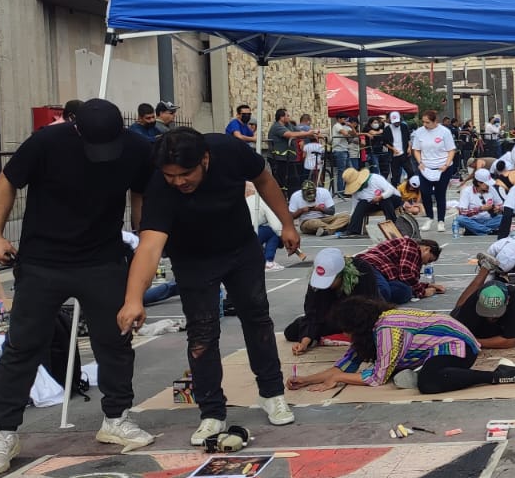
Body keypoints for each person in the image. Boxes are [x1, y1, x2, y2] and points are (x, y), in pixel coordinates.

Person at [0, 99, 155, 476]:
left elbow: (139, 191)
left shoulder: (138, 147)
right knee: (24, 345)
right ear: (76, 129)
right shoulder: (46, 143)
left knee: (116, 341)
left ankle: (116, 418)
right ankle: (4, 432)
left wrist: (141, 233)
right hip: (43, 260)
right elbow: (8, 180)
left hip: (103, 259)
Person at [118, 127, 297, 446]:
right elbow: (149, 246)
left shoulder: (229, 150)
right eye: (171, 175)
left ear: (205, 159)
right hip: (193, 260)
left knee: (257, 320)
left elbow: (265, 180)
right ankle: (211, 412)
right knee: (202, 332)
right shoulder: (160, 186)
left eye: (186, 174)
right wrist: (134, 299)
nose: (179, 182)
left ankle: (272, 393)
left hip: (241, 250)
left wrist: (286, 224)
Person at [288, 295, 515, 394]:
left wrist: (340, 379)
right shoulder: (373, 329)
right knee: (429, 374)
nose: (348, 336)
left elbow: (378, 377)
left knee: (430, 382)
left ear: (357, 326)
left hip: (457, 345)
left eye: (348, 330)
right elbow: (343, 366)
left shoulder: (387, 329)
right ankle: (422, 370)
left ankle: (498, 375)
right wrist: (307, 380)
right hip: (439, 348)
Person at [285, 247, 412, 355]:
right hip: (333, 316)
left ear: (342, 274)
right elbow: (313, 312)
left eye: (331, 281)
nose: (327, 286)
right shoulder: (317, 280)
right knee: (292, 331)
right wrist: (305, 342)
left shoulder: (362, 270)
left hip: (360, 316)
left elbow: (370, 308)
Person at [408, 110, 458, 232]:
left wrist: (446, 164)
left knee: (440, 193)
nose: (425, 125)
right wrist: (420, 162)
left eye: (428, 122)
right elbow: (416, 149)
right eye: (423, 122)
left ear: (435, 121)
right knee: (425, 192)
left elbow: (451, 150)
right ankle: (429, 217)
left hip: (442, 167)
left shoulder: (444, 132)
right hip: (426, 166)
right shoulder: (419, 132)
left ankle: (441, 220)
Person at [358, 236, 446, 301]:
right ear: (427, 249)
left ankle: (366, 293)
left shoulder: (413, 254)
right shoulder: (412, 246)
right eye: (429, 259)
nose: (426, 263)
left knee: (404, 290)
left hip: (382, 273)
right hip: (370, 265)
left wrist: (427, 285)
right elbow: (406, 275)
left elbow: (406, 280)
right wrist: (423, 292)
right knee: (383, 291)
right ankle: (360, 297)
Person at [337, 167, 401, 239]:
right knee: (362, 203)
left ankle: (392, 225)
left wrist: (381, 197)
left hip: (392, 199)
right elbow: (354, 208)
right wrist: (351, 220)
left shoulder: (375, 178)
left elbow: (390, 190)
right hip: (373, 204)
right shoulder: (356, 192)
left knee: (385, 200)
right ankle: (353, 230)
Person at [245, 180, 290, 271]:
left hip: (238, 237)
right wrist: (283, 236)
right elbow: (276, 225)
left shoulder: (242, 201)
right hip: (251, 235)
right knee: (273, 232)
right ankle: (268, 261)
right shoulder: (261, 200)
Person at [267, 109, 314, 197]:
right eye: (287, 115)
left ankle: (292, 199)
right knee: (281, 180)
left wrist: (313, 133)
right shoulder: (277, 126)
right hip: (278, 158)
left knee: (294, 180)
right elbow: (289, 134)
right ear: (281, 117)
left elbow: (299, 132)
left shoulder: (288, 125)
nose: (289, 117)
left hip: (288, 158)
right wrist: (307, 133)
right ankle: (280, 199)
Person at [453, 169, 507, 236]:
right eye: (487, 184)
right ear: (479, 183)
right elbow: (462, 212)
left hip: (489, 220)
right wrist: (480, 209)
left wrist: (499, 208)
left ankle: (475, 230)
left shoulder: (491, 189)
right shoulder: (467, 191)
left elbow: (502, 205)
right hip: (473, 220)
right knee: (460, 219)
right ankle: (488, 231)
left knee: (504, 218)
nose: (488, 186)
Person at [329, 113, 359, 194]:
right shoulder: (337, 125)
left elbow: (355, 134)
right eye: (343, 119)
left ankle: (347, 189)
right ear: (338, 119)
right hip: (339, 150)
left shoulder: (345, 126)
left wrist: (352, 127)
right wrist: (349, 131)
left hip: (345, 150)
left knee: (350, 170)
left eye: (346, 119)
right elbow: (345, 134)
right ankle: (340, 191)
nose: (345, 120)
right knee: (341, 171)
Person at [385, 111, 411, 186]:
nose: (397, 123)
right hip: (394, 155)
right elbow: (385, 142)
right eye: (395, 122)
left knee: (410, 171)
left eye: (398, 122)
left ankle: (409, 186)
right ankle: (395, 189)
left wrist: (409, 147)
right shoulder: (387, 129)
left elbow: (408, 138)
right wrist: (393, 149)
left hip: (404, 153)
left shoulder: (404, 126)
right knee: (395, 174)